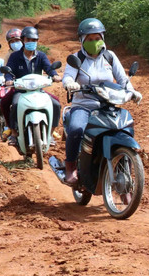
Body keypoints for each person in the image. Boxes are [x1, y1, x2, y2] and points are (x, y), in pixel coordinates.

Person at [60, 18, 142, 187]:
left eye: (97, 38)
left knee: (124, 128)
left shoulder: (109, 56)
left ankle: (123, 166)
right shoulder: (77, 58)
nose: (94, 42)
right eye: (90, 39)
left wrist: (132, 92)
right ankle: (70, 166)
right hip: (84, 105)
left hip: (108, 105)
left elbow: (123, 79)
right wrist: (70, 83)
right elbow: (67, 76)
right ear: (82, 40)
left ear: (103, 38)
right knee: (76, 129)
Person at [1, 26, 62, 146]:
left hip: (38, 90)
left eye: (34, 40)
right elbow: (9, 71)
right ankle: (14, 133)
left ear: (37, 41)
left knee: (56, 104)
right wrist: (8, 80)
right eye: (28, 40)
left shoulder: (41, 56)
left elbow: (49, 68)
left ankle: (50, 133)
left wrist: (55, 75)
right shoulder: (15, 56)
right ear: (23, 40)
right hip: (20, 90)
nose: (31, 42)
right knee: (13, 104)